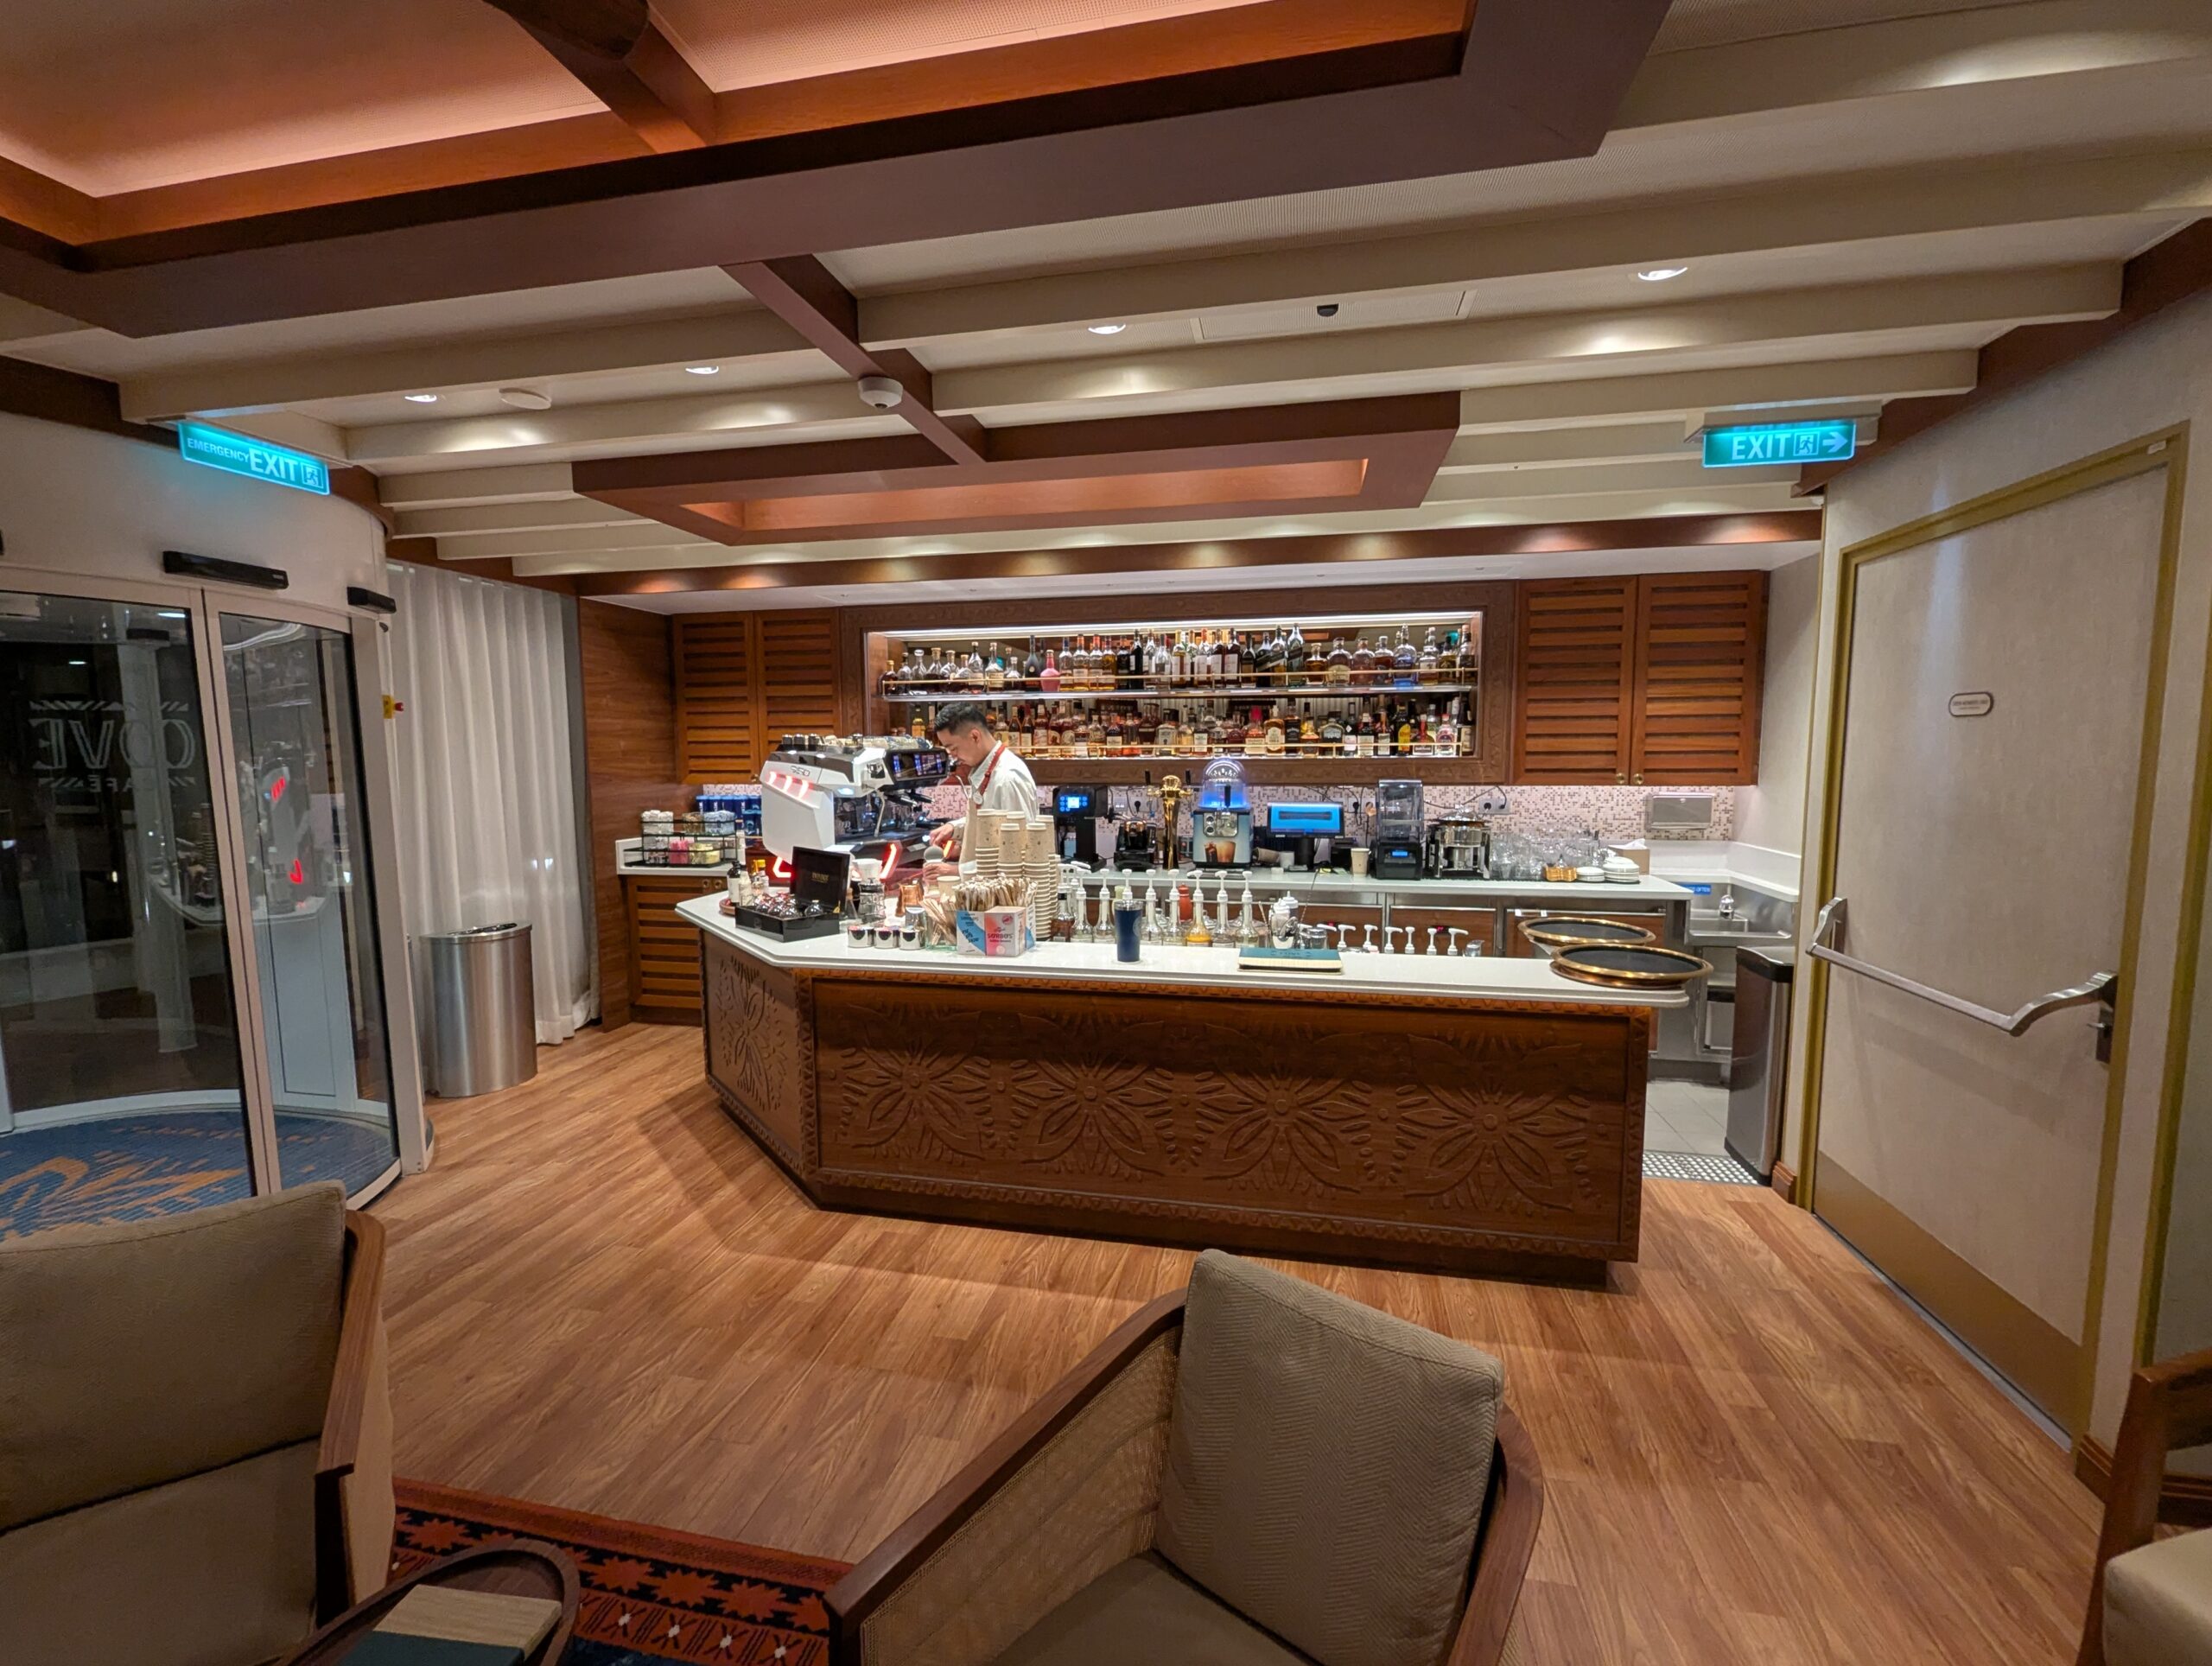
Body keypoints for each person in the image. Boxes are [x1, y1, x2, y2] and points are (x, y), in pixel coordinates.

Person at [928, 701, 1037, 863]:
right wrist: (954, 828)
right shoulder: (984, 769)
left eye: (953, 748)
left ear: (975, 736)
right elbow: (991, 823)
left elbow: (1019, 852)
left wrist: (958, 871)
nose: (953, 757)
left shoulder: (1007, 778)